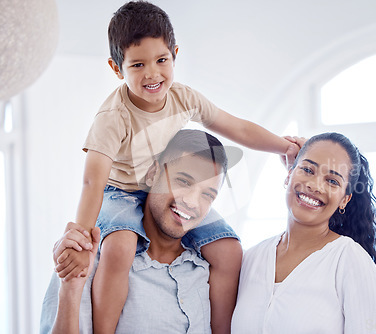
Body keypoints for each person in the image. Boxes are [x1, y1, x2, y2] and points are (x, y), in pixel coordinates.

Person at [59, 2, 299, 333]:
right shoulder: (113, 117)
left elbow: (238, 128)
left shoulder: (184, 98)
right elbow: (92, 182)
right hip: (122, 193)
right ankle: (104, 328)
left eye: (161, 60)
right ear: (117, 68)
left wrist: (284, 146)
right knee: (119, 247)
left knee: (229, 250)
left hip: (168, 187)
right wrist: (81, 238)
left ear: (175, 54)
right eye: (138, 65)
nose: (152, 74)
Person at [41, 129, 236, 333]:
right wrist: (70, 291)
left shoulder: (206, 270)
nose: (191, 202)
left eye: (207, 195)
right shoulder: (89, 261)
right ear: (153, 174)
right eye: (183, 181)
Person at [231, 132, 376, 334]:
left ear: (344, 199)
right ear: (289, 174)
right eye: (308, 169)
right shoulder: (252, 258)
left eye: (332, 181)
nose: (314, 185)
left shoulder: (349, 259)